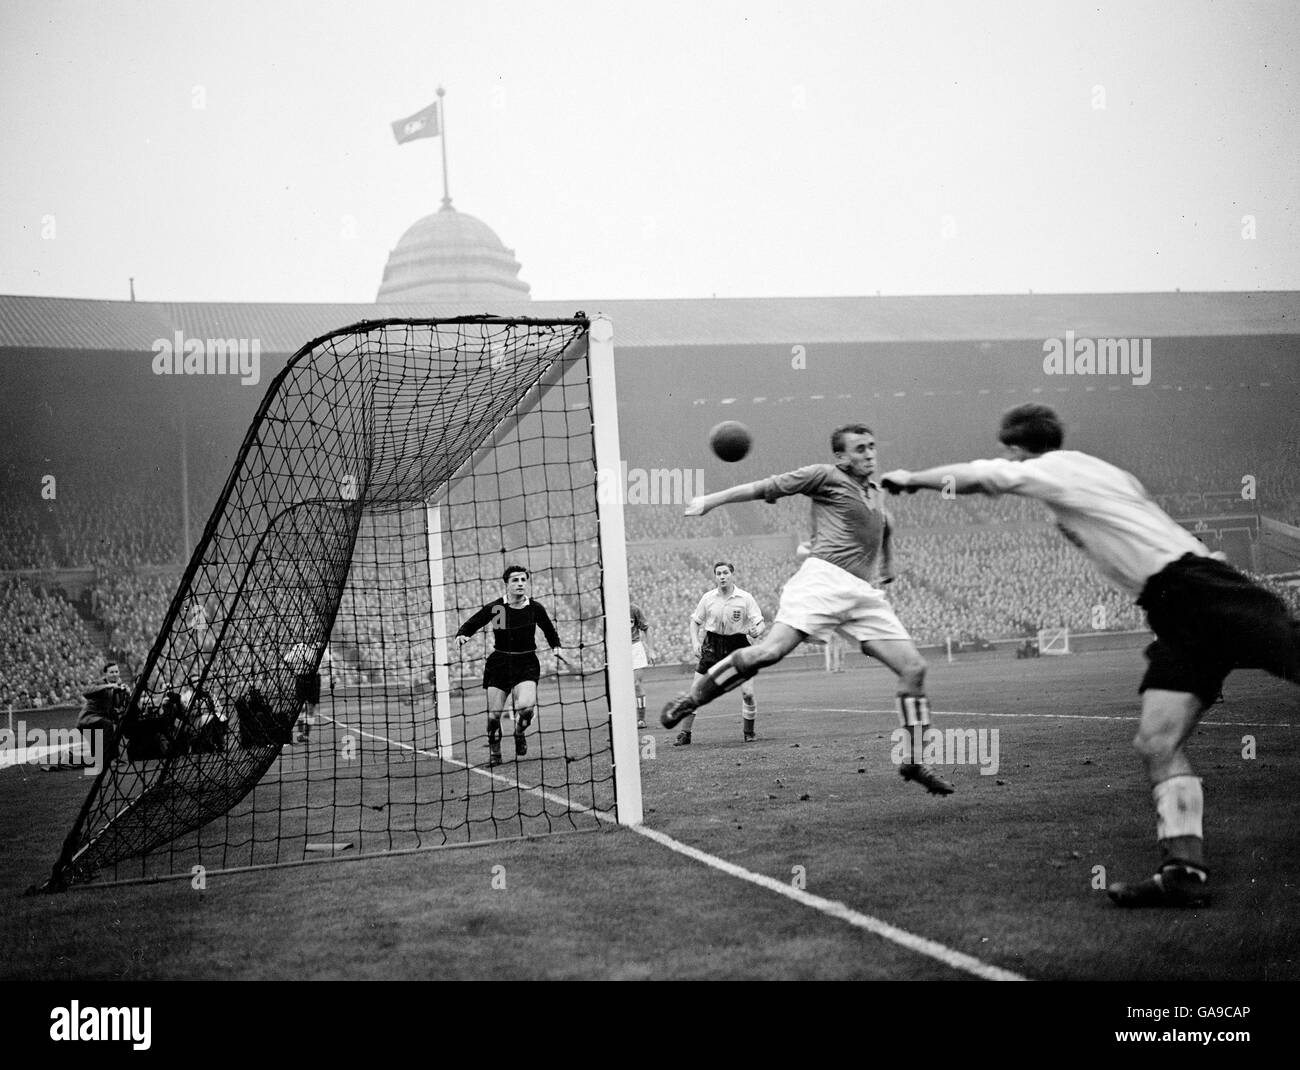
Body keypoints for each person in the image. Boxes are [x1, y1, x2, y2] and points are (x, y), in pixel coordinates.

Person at [880, 403, 1300, 907]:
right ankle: (1183, 872)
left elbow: (978, 477)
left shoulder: (1053, 469)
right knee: (1155, 743)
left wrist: (910, 477)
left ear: (1014, 448)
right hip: (1176, 608)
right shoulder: (1101, 471)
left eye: (1009, 454)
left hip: (1200, 591)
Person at [661, 424, 954, 794]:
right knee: (770, 652)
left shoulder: (877, 494)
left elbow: (887, 524)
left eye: (872, 447)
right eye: (859, 448)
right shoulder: (824, 476)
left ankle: (914, 761)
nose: (869, 453)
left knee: (914, 667)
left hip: (863, 592)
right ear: (841, 457)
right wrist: (712, 500)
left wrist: (888, 566)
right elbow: (766, 486)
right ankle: (692, 699)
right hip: (823, 580)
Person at [457, 565, 570, 766]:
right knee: (494, 716)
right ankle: (495, 752)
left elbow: (549, 630)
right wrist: (463, 633)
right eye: (515, 580)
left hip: (526, 662)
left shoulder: (535, 608)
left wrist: (556, 647)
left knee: (526, 708)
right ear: (507, 584)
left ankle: (519, 732)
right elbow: (475, 621)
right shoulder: (497, 608)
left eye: (523, 580)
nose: (520, 584)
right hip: (499, 663)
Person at [672, 562, 765, 746]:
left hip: (738, 645)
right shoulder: (708, 598)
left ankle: (749, 732)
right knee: (696, 691)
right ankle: (685, 733)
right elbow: (695, 622)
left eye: (725, 573)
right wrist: (695, 642)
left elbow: (760, 623)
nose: (722, 576)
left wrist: (757, 631)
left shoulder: (745, 598)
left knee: (747, 693)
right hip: (713, 645)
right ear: (715, 577)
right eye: (718, 573)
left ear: (732, 574)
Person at [630, 602, 657, 728]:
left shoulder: (634, 609)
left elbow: (646, 628)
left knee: (636, 684)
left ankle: (641, 719)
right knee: (619, 688)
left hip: (634, 648)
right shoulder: (611, 610)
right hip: (617, 649)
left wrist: (651, 650)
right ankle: (622, 720)